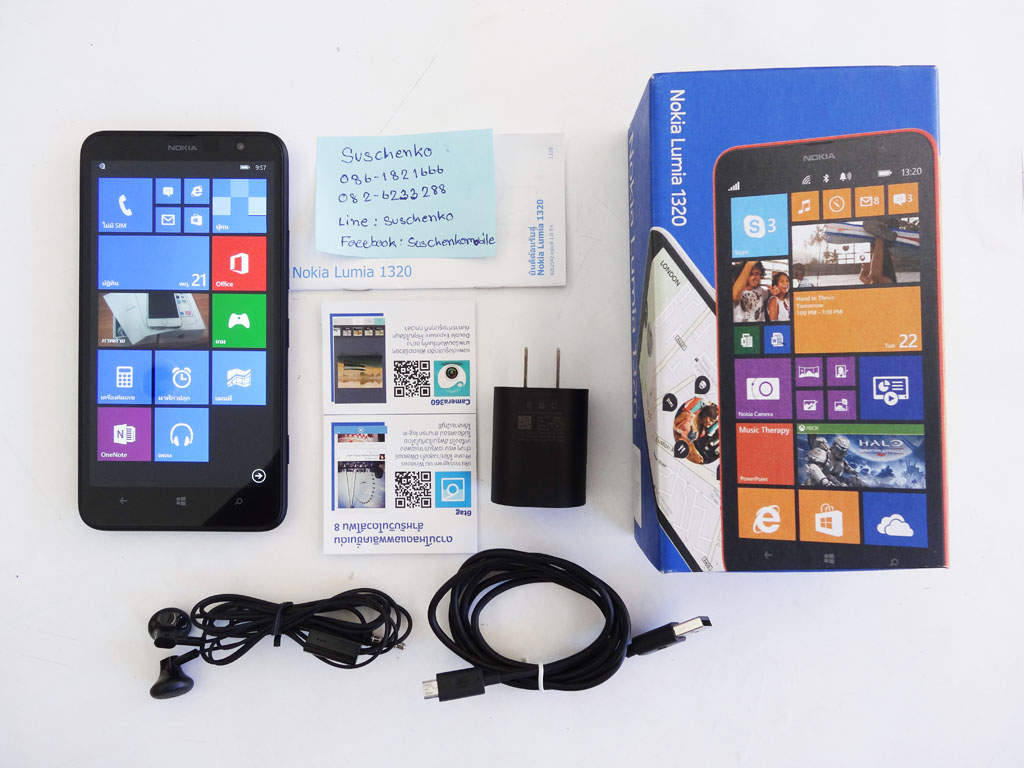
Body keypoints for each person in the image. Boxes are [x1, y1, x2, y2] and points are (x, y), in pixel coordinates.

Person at [859, 219, 898, 285]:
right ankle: (880, 238)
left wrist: (870, 248)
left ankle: (874, 243)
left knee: (863, 277)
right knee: (875, 278)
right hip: (888, 283)